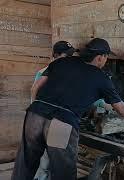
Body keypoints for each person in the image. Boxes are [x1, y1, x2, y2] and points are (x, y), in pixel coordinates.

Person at [11, 38, 124, 180]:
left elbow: (37, 86)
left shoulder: (63, 62)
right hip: (60, 123)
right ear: (100, 57)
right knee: (62, 170)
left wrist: (37, 106)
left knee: (25, 163)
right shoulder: (101, 77)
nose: (106, 61)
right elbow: (121, 108)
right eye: (106, 57)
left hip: (35, 115)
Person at [32, 41, 78, 180]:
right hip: (52, 120)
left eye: (71, 55)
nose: (69, 58)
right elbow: (35, 89)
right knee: (47, 160)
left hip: (53, 120)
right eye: (66, 55)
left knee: (51, 160)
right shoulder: (46, 73)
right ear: (55, 55)